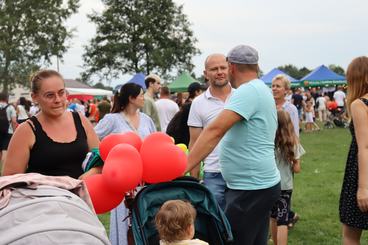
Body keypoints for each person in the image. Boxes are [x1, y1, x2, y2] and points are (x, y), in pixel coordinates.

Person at [186, 44, 280, 245]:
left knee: (233, 240)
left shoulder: (248, 91)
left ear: (232, 67)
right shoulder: (258, 88)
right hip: (256, 185)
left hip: (251, 187)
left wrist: (182, 167)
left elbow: (214, 131)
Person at [2, 69, 101, 180]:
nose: (57, 100)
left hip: (84, 195)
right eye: (50, 95)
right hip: (45, 196)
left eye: (61, 93)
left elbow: (99, 159)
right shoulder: (27, 130)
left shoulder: (81, 120)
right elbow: (10, 179)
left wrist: (92, 172)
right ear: (35, 97)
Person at [95, 82, 156, 245]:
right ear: (131, 98)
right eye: (141, 95)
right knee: (123, 221)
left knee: (145, 218)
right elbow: (93, 139)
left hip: (145, 179)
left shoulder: (146, 119)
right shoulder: (112, 120)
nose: (144, 98)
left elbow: (154, 142)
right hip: (122, 180)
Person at [187, 53, 233, 210]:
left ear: (230, 69)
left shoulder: (241, 96)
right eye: (214, 69)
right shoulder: (198, 103)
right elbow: (194, 142)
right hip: (213, 173)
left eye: (223, 67)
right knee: (216, 225)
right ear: (206, 74)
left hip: (241, 171)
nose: (219, 72)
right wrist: (194, 180)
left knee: (242, 224)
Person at [339, 56, 368, 244]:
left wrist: (363, 187)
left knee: (350, 232)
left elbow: (365, 146)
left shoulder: (360, 104)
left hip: (362, 173)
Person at [270, 110, 305, 245]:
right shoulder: (293, 144)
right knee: (282, 221)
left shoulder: (268, 143)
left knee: (273, 218)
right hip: (285, 187)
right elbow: (297, 169)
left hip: (270, 185)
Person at [166, 82, 203, 146]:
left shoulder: (187, 104)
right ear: (197, 92)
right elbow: (186, 130)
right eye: (201, 91)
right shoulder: (190, 107)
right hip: (182, 143)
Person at [0, 93, 17, 164]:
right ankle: (3, 166)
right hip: (8, 131)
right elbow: (14, 121)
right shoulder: (10, 107)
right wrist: (15, 131)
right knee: (5, 149)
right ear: (7, 98)